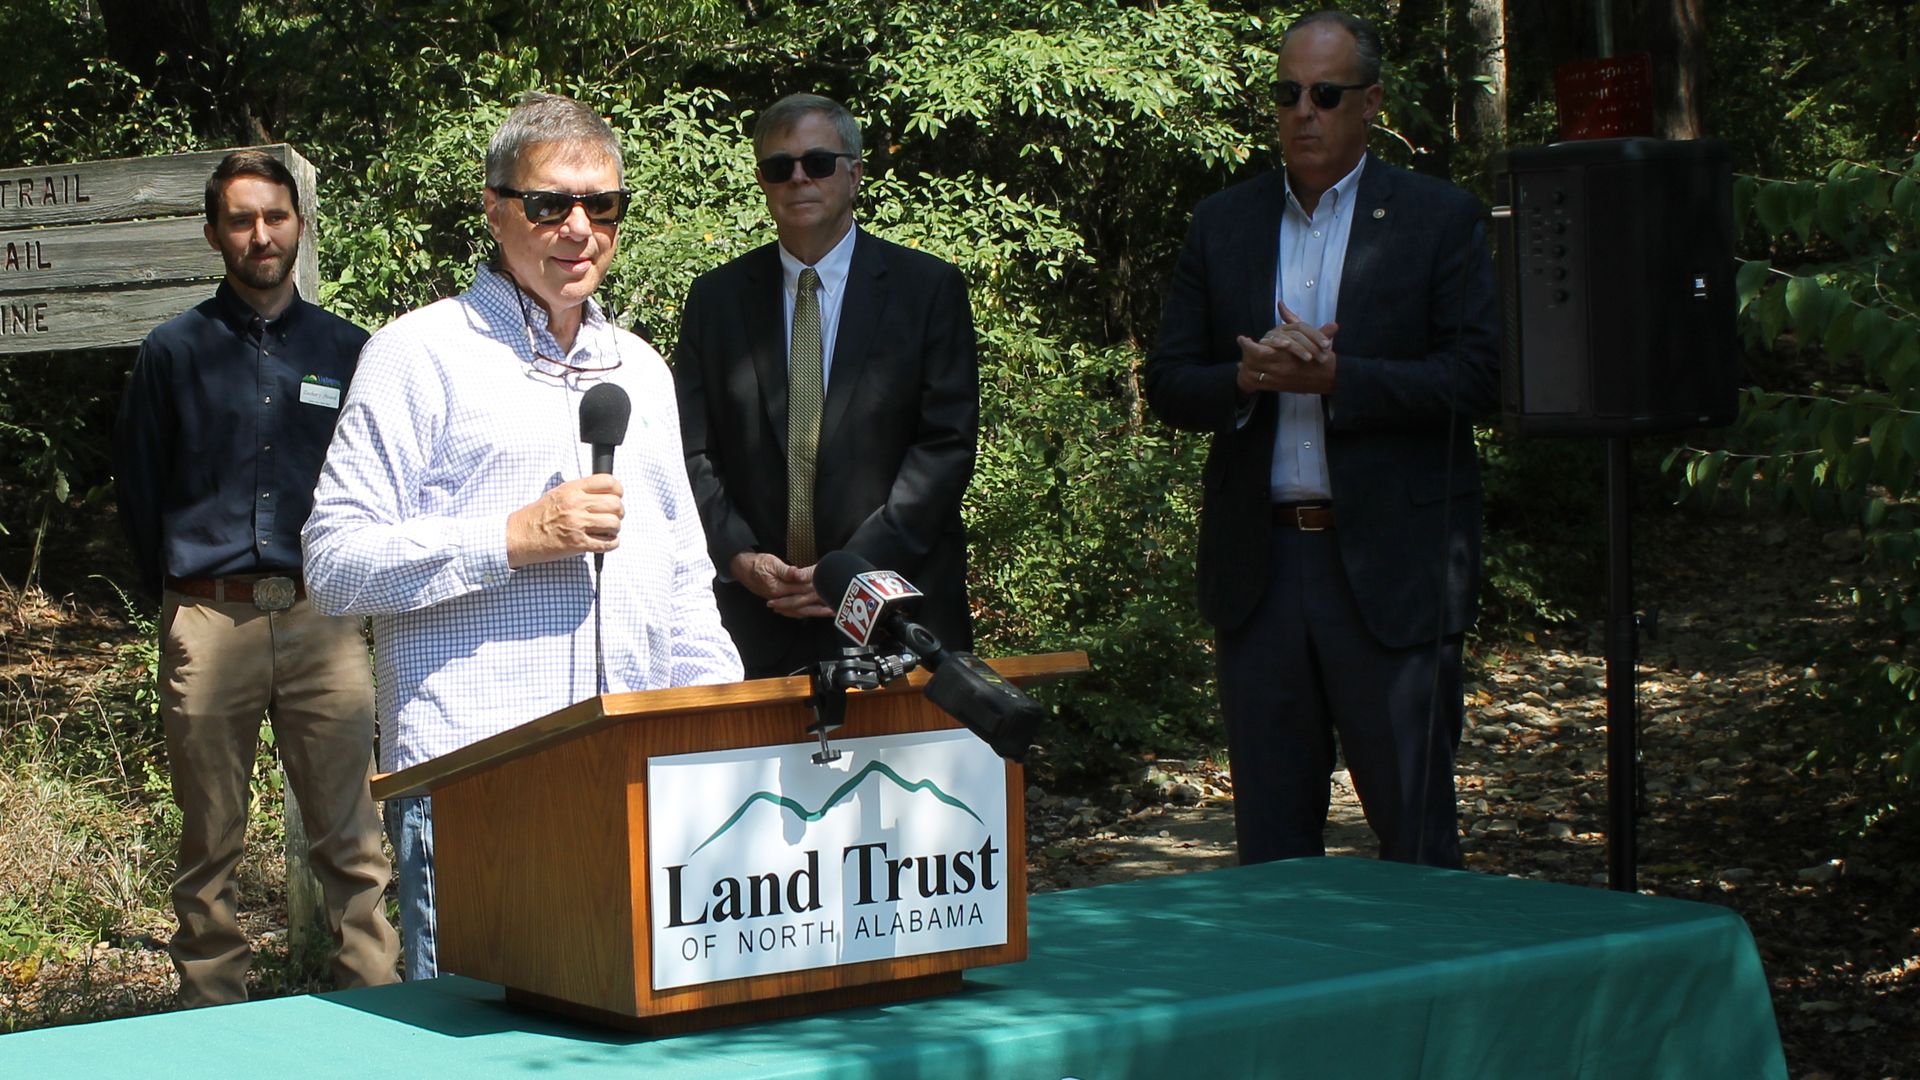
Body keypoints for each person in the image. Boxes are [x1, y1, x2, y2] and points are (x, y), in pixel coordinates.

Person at [302, 93, 743, 979]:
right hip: (479, 782)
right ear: (496, 208)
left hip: (642, 774)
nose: (579, 227)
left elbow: (685, 580)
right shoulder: (416, 355)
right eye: (550, 204)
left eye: (602, 204)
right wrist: (513, 536)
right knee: (475, 1044)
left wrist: (722, 727)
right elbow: (333, 565)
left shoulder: (644, 372)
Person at [1142, 11, 1499, 868]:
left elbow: (1479, 379)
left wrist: (1343, 379)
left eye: (1326, 94)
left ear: (1369, 102)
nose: (1304, 112)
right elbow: (1167, 382)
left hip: (1390, 569)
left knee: (1415, 834)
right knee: (1273, 846)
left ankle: (1435, 1000)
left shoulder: (1437, 218)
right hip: (1261, 572)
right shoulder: (1224, 223)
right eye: (1287, 94)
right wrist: (1248, 377)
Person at [113, 150, 400, 1005]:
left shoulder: (352, 351)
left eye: (274, 216)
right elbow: (138, 488)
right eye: (241, 220)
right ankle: (212, 1018)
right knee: (210, 841)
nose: (260, 234)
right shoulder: (173, 351)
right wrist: (176, 606)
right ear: (214, 235)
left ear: (299, 226)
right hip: (210, 620)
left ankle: (374, 1007)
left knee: (354, 836)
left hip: (324, 620)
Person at [673, 93, 979, 678]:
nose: (798, 179)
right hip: (756, 611)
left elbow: (945, 447)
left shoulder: (927, 290)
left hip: (892, 600)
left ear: (855, 173)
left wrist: (853, 566)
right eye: (778, 167)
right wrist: (738, 557)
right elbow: (692, 448)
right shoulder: (716, 300)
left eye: (817, 162)